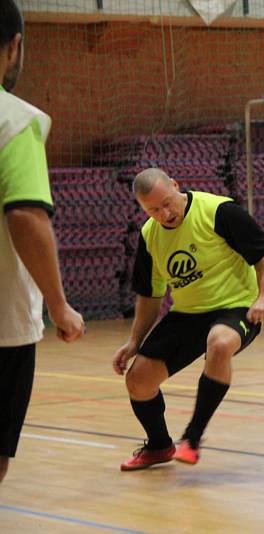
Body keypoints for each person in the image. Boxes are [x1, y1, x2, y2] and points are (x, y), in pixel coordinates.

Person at [111, 168, 264, 471]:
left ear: (175, 185)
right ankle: (160, 446)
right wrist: (134, 341)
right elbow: (149, 295)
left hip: (237, 306)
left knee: (220, 342)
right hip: (188, 314)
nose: (165, 213)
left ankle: (193, 438)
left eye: (167, 202)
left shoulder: (217, 211)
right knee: (138, 380)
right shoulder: (150, 235)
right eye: (154, 210)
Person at [0, 0, 85, 483]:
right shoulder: (15, 121)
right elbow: (26, 216)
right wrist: (58, 305)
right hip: (3, 324)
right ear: (14, 47)